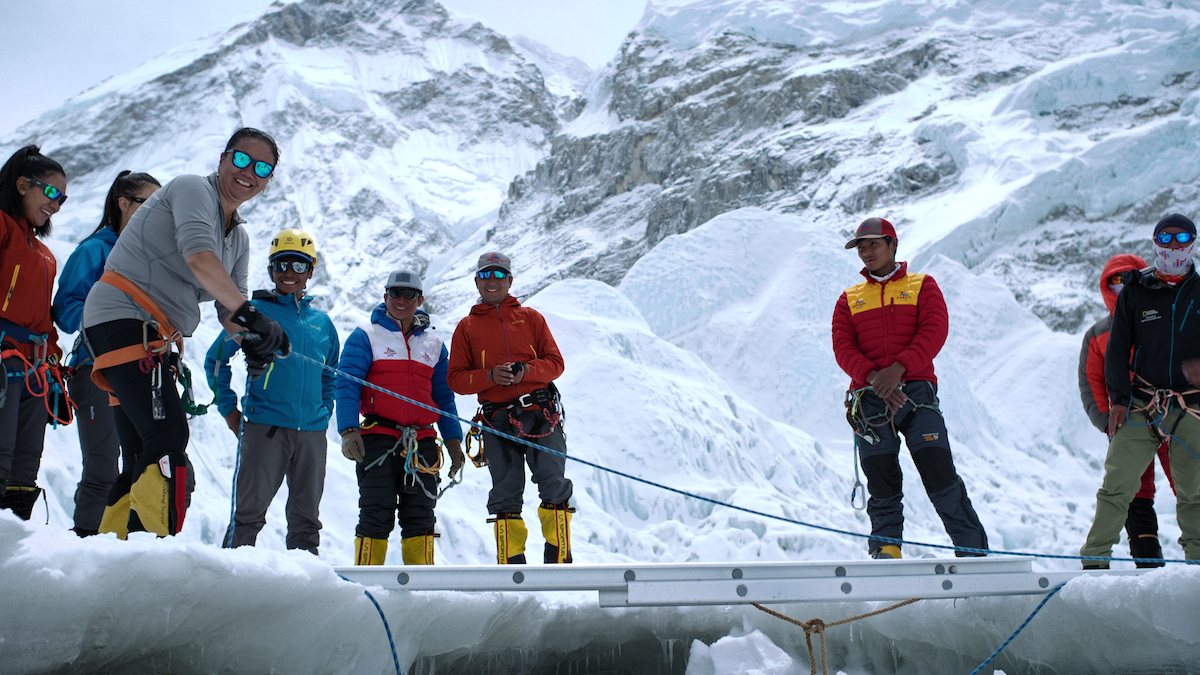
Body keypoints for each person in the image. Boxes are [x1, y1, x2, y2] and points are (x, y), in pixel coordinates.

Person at [82, 127, 288, 539]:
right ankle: (148, 555)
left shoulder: (239, 238)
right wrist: (253, 319)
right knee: (168, 437)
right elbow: (199, 257)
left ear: (267, 181)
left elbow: (231, 310)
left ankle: (112, 552)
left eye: (262, 168)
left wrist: (254, 340)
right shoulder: (193, 189)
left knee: (143, 449)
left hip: (145, 331)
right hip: (126, 317)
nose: (249, 172)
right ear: (223, 159)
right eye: (242, 159)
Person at [833, 217, 989, 559]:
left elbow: (935, 331)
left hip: (916, 392)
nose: (866, 251)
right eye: (861, 246)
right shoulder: (849, 299)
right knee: (881, 477)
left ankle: (973, 555)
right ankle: (887, 551)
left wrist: (898, 370)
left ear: (893, 245)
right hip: (869, 399)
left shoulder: (923, 285)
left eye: (873, 243)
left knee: (939, 472)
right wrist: (877, 379)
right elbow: (842, 347)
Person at [206, 228, 339, 554]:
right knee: (248, 515)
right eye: (281, 265)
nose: (289, 273)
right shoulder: (254, 314)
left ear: (310, 271)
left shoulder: (322, 323)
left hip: (311, 434)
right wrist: (229, 410)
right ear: (271, 270)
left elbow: (330, 374)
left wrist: (324, 413)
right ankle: (231, 583)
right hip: (264, 429)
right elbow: (216, 360)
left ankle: (304, 591)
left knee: (306, 520)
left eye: (298, 265)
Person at [1081, 213, 1200, 567]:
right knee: (1117, 484)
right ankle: (1094, 562)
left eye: (1182, 239)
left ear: (1193, 243)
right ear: (1154, 243)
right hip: (1142, 403)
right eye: (1165, 240)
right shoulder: (1137, 290)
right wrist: (1118, 400)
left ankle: (1197, 566)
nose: (1174, 247)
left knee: (1194, 493)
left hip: (1190, 408)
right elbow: (1118, 349)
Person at [52, 171, 162, 536]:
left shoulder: (152, 254)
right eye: (149, 203)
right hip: (97, 365)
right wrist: (112, 318)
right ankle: (85, 548)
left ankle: (121, 549)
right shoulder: (95, 250)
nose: (156, 212)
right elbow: (65, 310)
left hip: (143, 370)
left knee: (139, 463)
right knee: (102, 466)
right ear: (124, 203)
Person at [447, 252, 575, 564]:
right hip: (497, 418)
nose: (492, 281)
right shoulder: (466, 327)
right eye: (486, 275)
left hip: (541, 413)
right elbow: (456, 380)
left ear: (510, 281)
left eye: (498, 275)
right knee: (505, 491)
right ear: (477, 281)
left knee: (553, 483)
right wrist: (488, 377)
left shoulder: (531, 318)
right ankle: (512, 565)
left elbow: (555, 364)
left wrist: (526, 372)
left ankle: (558, 561)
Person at [337, 269, 465, 565]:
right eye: (395, 293)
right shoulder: (365, 336)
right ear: (385, 297)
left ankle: (421, 588)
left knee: (421, 516)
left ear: (420, 299)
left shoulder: (434, 345)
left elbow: (444, 398)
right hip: (378, 439)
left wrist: (454, 442)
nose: (401, 299)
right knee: (375, 511)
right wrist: (348, 430)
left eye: (409, 294)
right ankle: (367, 587)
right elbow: (347, 383)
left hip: (423, 442)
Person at [1078, 253, 1174, 567]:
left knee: (1189, 483)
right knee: (1133, 490)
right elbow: (1091, 381)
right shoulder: (1097, 334)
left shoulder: (1165, 317)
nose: (1121, 286)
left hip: (1173, 415)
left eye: (1127, 278)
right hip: (1128, 422)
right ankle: (1149, 563)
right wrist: (1107, 422)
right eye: (1114, 281)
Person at [0, 145, 70, 520]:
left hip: (33, 369)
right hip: (3, 357)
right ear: (23, 184)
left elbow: (44, 319)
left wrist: (54, 362)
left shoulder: (43, 253)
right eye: (52, 193)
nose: (56, 205)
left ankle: (12, 554)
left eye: (63, 198)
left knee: (25, 464)